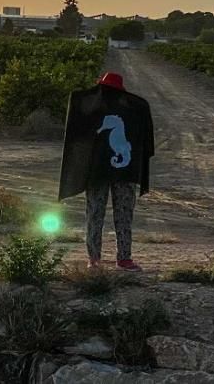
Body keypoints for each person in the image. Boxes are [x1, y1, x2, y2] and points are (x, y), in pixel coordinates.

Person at [58, 71, 154, 271]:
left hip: (113, 172)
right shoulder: (132, 107)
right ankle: (105, 258)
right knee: (109, 214)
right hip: (106, 172)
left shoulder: (130, 109)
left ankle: (108, 258)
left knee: (106, 214)